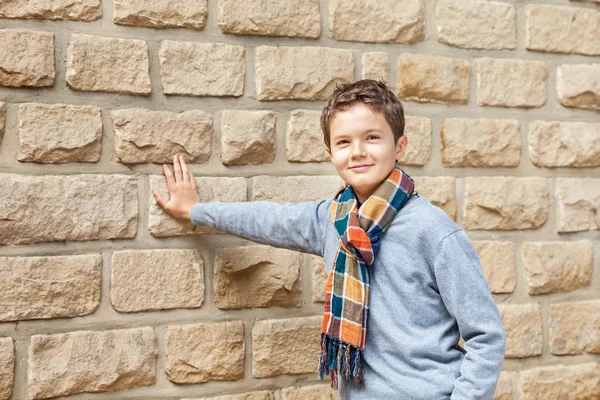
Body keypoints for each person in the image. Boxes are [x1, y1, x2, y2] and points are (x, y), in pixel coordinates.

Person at [153, 80, 506, 399]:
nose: (357, 152)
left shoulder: (434, 231)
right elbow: (270, 219)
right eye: (343, 142)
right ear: (330, 153)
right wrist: (195, 211)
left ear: (399, 146)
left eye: (372, 137)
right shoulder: (332, 219)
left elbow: (486, 336)